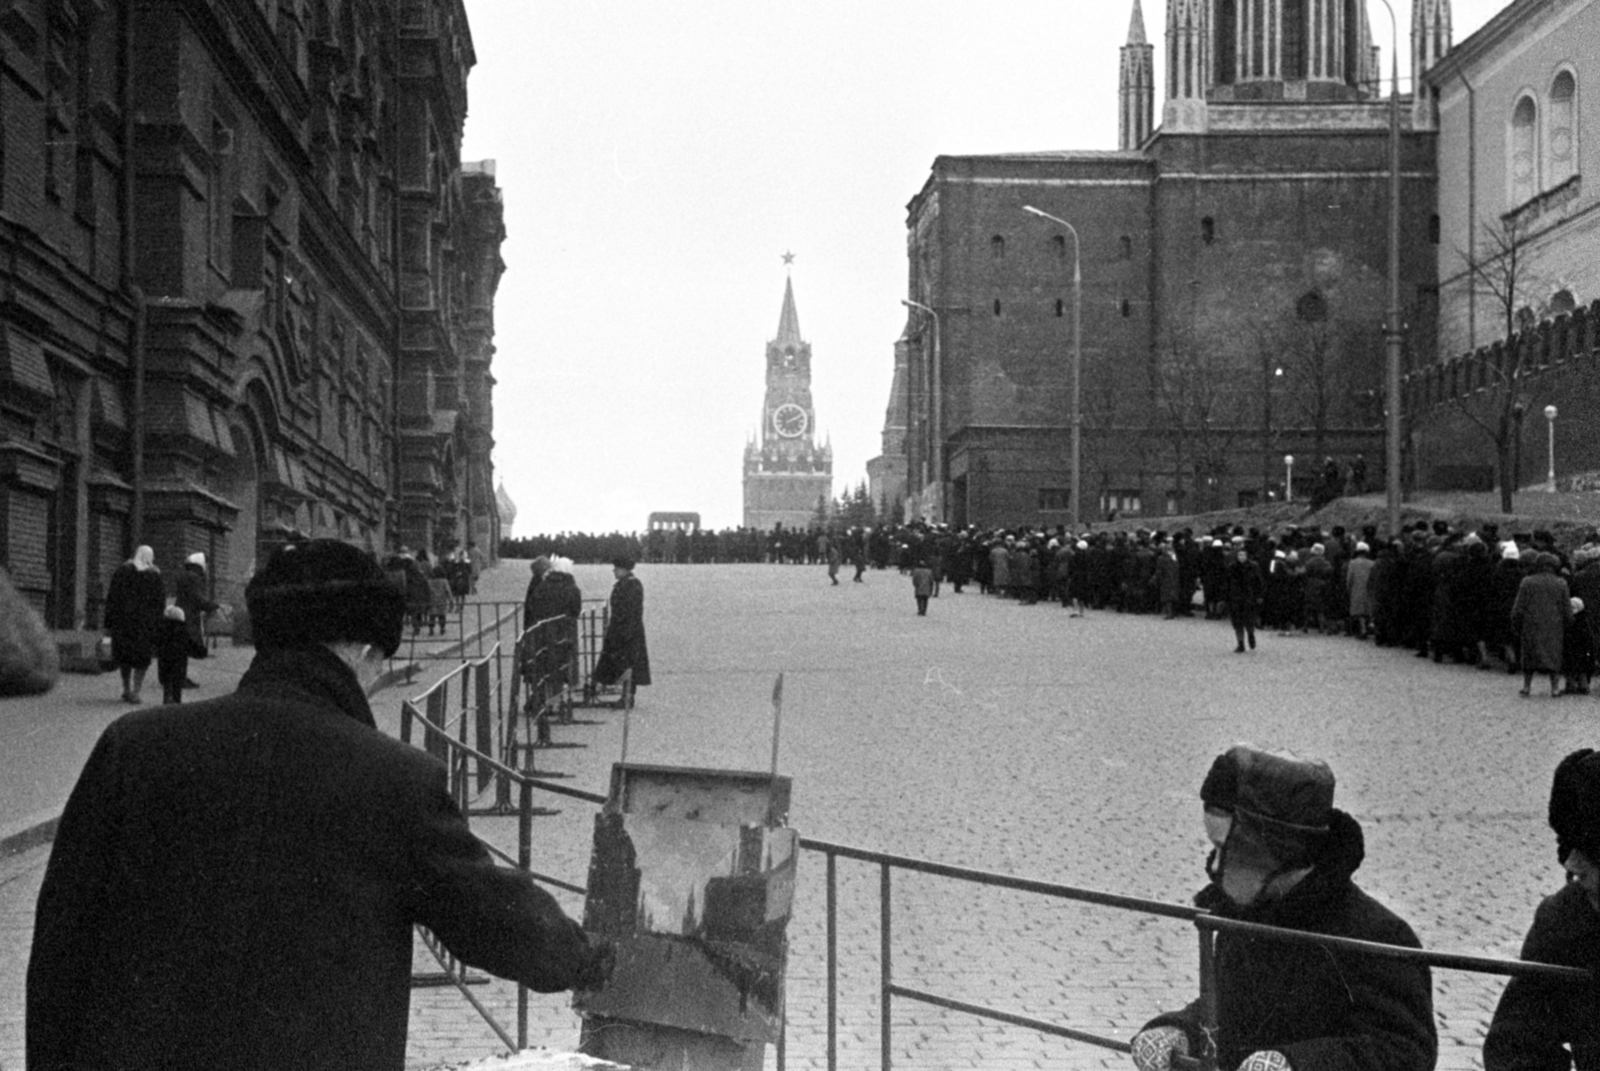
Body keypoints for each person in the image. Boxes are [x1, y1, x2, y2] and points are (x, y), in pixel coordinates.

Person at [27, 539, 612, 1071]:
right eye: (380, 658)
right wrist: (585, 959)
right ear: (358, 650)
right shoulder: (393, 781)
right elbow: (487, 915)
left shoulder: (133, 747)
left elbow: (61, 946)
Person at [1131, 745, 1436, 1071]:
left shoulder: (1378, 935)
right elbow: (1229, 1013)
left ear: (1269, 848)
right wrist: (1181, 1029)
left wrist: (1296, 1065)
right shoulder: (1246, 918)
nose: (1215, 865)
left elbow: (1404, 1051)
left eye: (1225, 849)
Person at [1483, 748, 1600, 1070]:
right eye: (1567, 845)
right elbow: (1516, 1044)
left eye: (1592, 850)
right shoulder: (1567, 918)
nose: (1573, 864)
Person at [103, 545, 166, 703]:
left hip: (123, 623)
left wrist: (108, 623)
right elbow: (160, 603)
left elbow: (112, 599)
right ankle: (137, 691)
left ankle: (126, 688)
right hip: (144, 625)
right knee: (142, 659)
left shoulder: (122, 571)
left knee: (124, 657)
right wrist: (158, 626)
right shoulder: (154, 576)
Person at [1511, 552, 1572, 698]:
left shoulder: (1527, 582)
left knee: (1529, 656)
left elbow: (1519, 606)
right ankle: (1555, 688)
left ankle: (1526, 686)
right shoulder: (1561, 583)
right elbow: (1566, 607)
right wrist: (1569, 621)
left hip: (1531, 623)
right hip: (1554, 625)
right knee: (1554, 656)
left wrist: (1516, 621)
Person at [591, 554, 651, 698]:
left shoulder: (629, 585)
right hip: (627, 630)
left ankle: (627, 696)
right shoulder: (630, 583)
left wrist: (622, 631)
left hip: (625, 631)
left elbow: (628, 610)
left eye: (616, 569)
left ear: (624, 570)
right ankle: (626, 695)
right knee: (627, 663)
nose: (614, 572)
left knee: (626, 664)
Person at [173, 551, 218, 688]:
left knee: (179, 649)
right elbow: (197, 597)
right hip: (190, 617)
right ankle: (181, 678)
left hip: (179, 612)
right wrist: (211, 605)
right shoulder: (195, 578)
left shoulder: (184, 575)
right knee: (185, 648)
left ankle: (176, 676)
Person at [1226, 544, 1264, 653]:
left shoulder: (1253, 567)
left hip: (1249, 597)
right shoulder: (1232, 568)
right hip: (1235, 598)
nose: (1241, 557)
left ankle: (1251, 635)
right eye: (1239, 555)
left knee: (1249, 621)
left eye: (1243, 555)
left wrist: (1259, 595)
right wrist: (1226, 598)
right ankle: (1240, 643)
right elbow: (1227, 584)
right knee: (1237, 623)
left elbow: (1259, 582)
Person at [154, 603, 190, 705]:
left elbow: (157, 642)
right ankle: (177, 701)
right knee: (177, 684)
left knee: (167, 683)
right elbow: (190, 645)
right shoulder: (183, 631)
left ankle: (166, 700)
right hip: (180, 662)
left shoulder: (163, 629)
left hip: (165, 661)